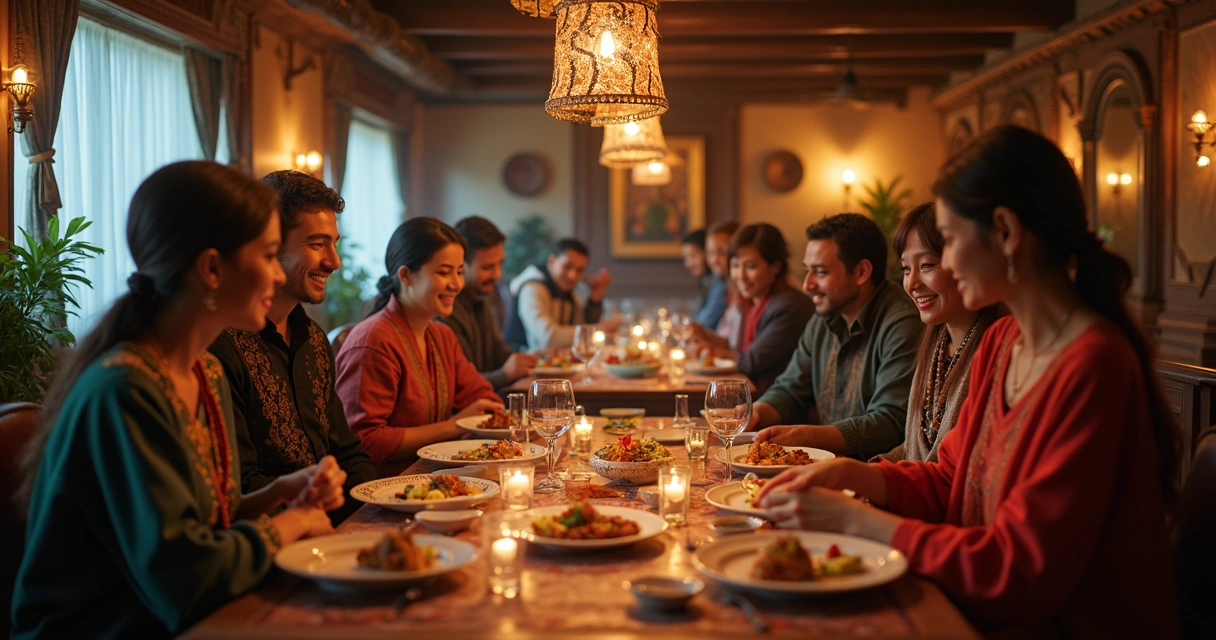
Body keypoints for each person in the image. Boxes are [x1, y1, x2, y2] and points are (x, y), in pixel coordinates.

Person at [756, 126, 1181, 637]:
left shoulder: (1093, 364)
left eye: (951, 241)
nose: (948, 263)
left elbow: (1020, 575)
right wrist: (849, 475)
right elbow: (948, 480)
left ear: (1005, 231)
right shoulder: (1002, 342)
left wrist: (857, 520)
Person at [11, 162, 341, 639]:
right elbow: (186, 579)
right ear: (212, 269)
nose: (276, 275)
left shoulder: (204, 371)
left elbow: (209, 523)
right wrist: (291, 524)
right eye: (269, 255)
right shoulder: (124, 390)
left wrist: (280, 493)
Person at [208, 170, 377, 524]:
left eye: (334, 243)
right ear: (270, 248)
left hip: (329, 526)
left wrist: (381, 511)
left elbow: (348, 455)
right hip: (276, 537)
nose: (334, 261)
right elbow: (240, 486)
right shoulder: (219, 347)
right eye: (316, 244)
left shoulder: (313, 338)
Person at [335, 217, 503, 475]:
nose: (456, 284)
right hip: (385, 487)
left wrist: (486, 412)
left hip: (438, 476)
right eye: (443, 272)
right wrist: (454, 426)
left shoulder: (442, 336)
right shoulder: (373, 341)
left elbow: (483, 398)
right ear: (406, 276)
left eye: (459, 272)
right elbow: (365, 441)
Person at [751, 213, 922, 460]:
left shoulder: (902, 323)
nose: (807, 284)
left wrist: (804, 435)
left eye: (820, 272)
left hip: (871, 473)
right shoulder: (823, 317)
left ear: (861, 272)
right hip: (823, 466)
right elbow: (790, 389)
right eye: (807, 271)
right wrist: (755, 413)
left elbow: (891, 423)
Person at [871, 203, 1005, 463]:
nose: (912, 284)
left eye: (927, 265)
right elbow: (915, 448)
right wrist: (871, 468)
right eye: (906, 269)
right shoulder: (936, 342)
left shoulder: (995, 350)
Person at [689, 223, 814, 393]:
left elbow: (751, 362)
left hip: (775, 400)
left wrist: (712, 352)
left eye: (750, 266)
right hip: (753, 393)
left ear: (775, 267)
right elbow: (734, 345)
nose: (741, 276)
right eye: (735, 266)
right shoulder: (749, 300)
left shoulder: (789, 306)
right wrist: (703, 335)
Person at [439, 216, 538, 390]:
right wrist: (504, 375)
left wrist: (537, 358)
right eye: (487, 267)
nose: (498, 275)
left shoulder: (480, 300)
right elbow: (457, 384)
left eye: (499, 264)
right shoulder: (444, 309)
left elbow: (499, 354)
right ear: (460, 264)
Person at [503, 238, 615, 352]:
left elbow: (582, 325)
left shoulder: (570, 293)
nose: (572, 275)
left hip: (551, 360)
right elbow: (549, 338)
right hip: (521, 358)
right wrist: (597, 330)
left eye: (579, 270)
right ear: (551, 261)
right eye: (567, 266)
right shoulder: (532, 289)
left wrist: (596, 295)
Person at [699, 220, 738, 331]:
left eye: (722, 252)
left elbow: (705, 324)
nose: (714, 260)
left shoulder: (744, 289)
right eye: (710, 253)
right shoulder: (719, 282)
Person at [680, 228, 711, 314]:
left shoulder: (719, 284)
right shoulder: (705, 281)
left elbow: (704, 320)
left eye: (693, 256)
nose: (688, 264)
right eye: (686, 258)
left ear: (708, 252)